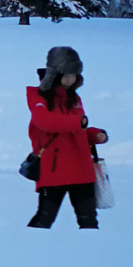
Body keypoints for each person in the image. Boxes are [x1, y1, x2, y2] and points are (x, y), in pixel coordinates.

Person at [26, 45, 109, 229]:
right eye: (66, 75)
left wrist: (95, 135)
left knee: (89, 222)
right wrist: (77, 124)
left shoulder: (74, 98)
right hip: (54, 169)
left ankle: (90, 255)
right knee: (44, 219)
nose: (70, 80)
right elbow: (44, 122)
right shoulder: (38, 96)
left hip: (81, 168)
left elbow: (77, 130)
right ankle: (29, 251)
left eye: (74, 75)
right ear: (54, 74)